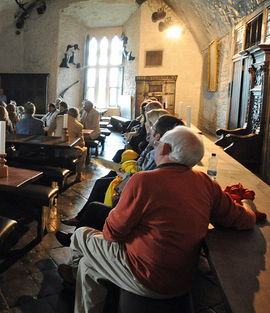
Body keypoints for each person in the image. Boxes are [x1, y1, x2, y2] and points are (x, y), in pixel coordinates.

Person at [58, 126, 258, 312]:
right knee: (88, 265)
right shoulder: (206, 183)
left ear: (166, 149)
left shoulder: (143, 180)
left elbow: (112, 233)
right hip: (183, 279)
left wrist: (120, 204)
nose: (157, 146)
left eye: (160, 143)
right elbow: (242, 219)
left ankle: (73, 272)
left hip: (146, 276)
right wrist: (248, 205)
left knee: (81, 235)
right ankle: (78, 275)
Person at [61, 113, 183, 226]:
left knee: (98, 199)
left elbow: (144, 181)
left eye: (153, 129)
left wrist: (123, 183)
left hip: (135, 198)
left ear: (159, 137)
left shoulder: (159, 157)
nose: (149, 130)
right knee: (103, 181)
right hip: (134, 180)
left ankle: (81, 233)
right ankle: (81, 222)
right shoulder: (164, 157)